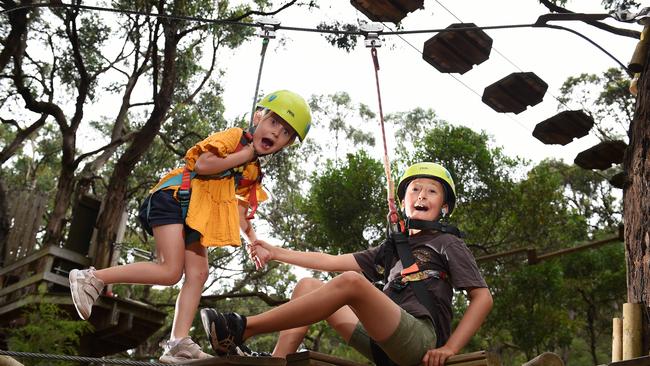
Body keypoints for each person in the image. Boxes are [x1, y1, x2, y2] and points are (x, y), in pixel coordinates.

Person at [68, 90, 312, 364]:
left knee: (198, 272)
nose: (277, 133)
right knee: (170, 270)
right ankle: (92, 278)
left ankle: (177, 343)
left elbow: (239, 211)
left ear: (286, 144)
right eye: (274, 122)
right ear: (258, 118)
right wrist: (242, 155)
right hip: (173, 197)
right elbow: (203, 163)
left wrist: (253, 241)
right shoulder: (235, 139)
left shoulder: (252, 170)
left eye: (287, 133)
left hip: (195, 214)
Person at [200, 162, 493, 366]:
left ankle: (242, 328)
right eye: (415, 189)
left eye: (432, 191)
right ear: (403, 202)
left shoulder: (447, 243)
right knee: (308, 285)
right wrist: (275, 251)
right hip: (384, 343)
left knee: (353, 282)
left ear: (443, 207)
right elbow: (329, 262)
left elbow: (482, 298)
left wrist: (449, 348)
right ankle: (276, 363)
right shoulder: (392, 248)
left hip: (419, 341)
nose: (422, 195)